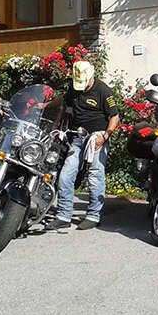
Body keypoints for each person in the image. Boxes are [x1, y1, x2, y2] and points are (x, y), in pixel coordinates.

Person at [46, 60, 119, 231]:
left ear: (91, 76)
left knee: (95, 175)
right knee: (66, 174)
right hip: (78, 136)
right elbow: (63, 101)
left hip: (97, 137)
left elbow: (114, 117)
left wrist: (105, 136)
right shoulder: (73, 87)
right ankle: (63, 215)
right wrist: (45, 105)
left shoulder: (103, 90)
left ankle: (94, 215)